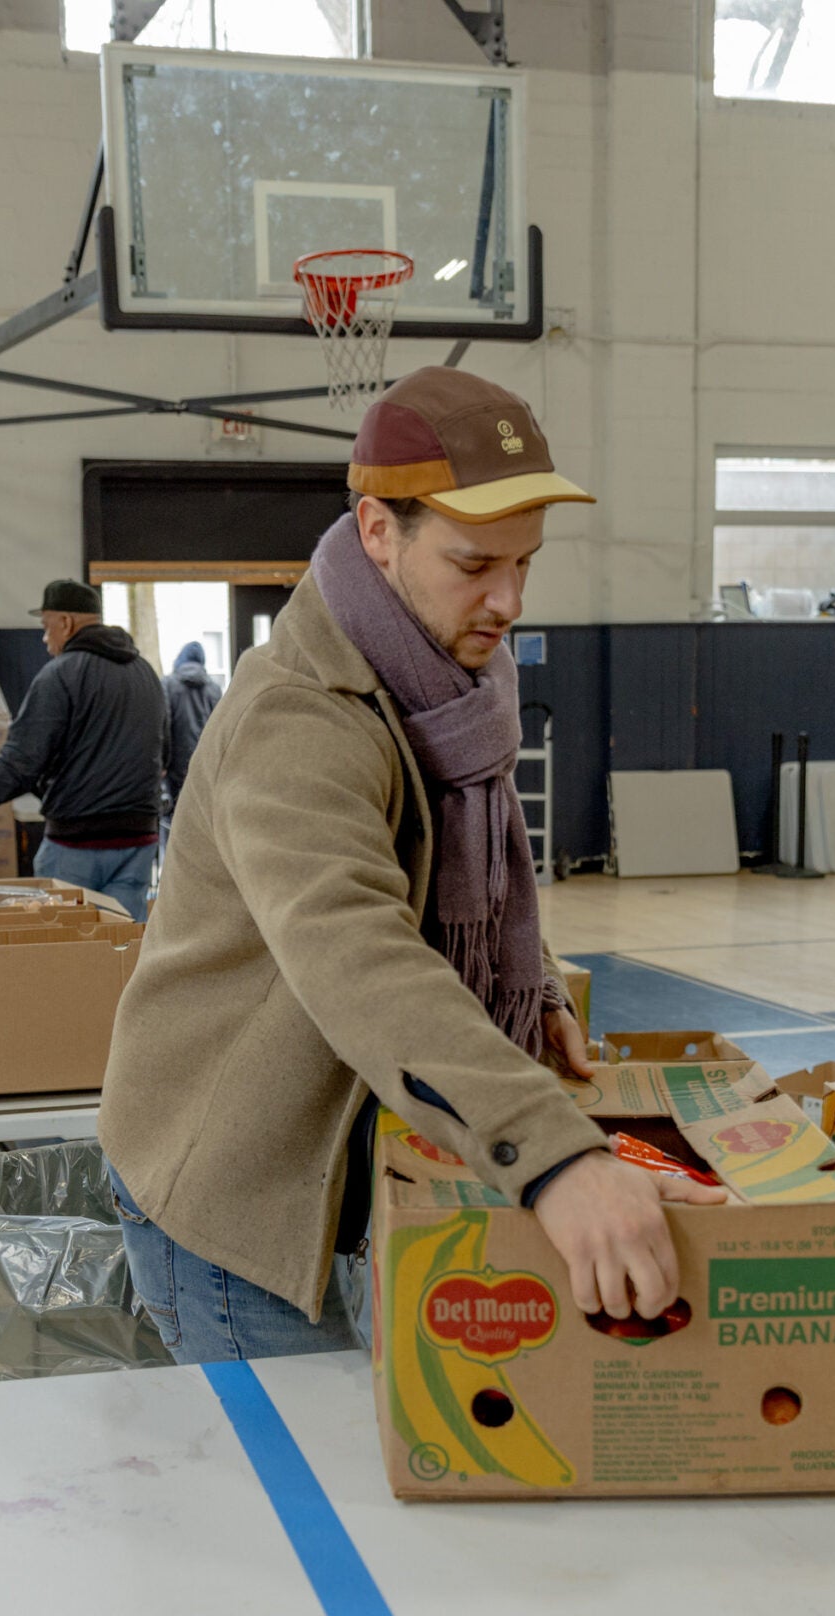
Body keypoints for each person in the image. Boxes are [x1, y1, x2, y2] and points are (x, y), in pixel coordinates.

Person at [98, 368, 724, 1365]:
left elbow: (455, 872)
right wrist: (556, 1158)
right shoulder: (298, 718)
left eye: (525, 562)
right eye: (475, 563)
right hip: (241, 1193)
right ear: (378, 530)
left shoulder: (447, 683)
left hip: (352, 1150)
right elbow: (356, 950)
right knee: (307, 1462)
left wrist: (534, 981)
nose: (508, 600)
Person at [0, 579, 164, 913]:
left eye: (46, 627)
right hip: (139, 839)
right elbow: (162, 753)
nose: (44, 640)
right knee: (123, 936)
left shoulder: (60, 674)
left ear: (66, 623)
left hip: (78, 842)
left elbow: (22, 759)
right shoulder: (146, 673)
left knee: (64, 936)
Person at [160, 638, 221, 824]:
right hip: (204, 766)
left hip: (174, 767)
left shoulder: (168, 684)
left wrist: (163, 762)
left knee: (172, 820)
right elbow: (219, 729)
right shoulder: (214, 689)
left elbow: (164, 725)